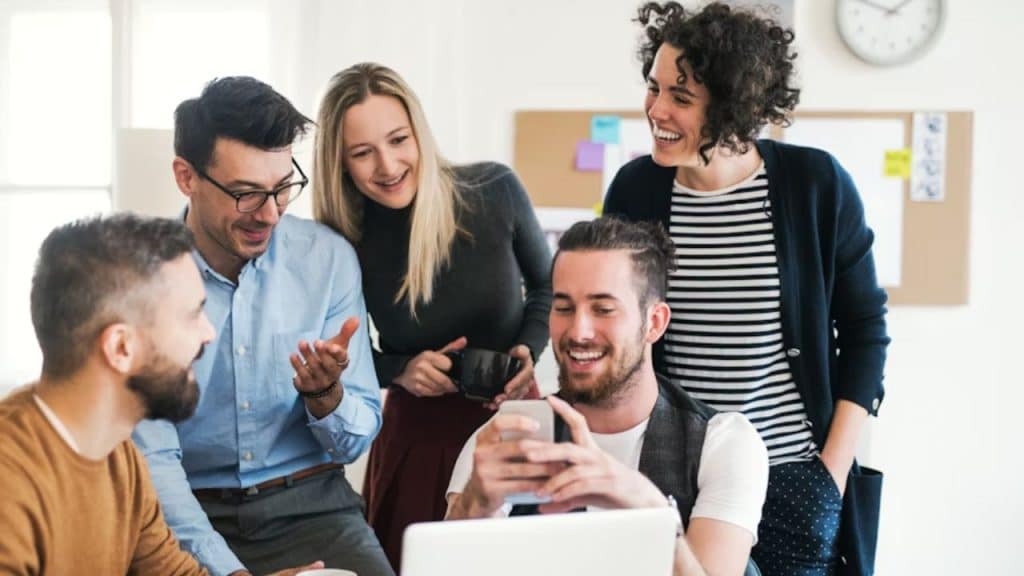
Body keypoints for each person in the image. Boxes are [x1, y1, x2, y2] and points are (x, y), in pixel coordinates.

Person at [603, 3, 890, 575]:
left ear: (735, 109)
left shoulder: (815, 185)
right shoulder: (635, 191)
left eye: (680, 98)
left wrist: (829, 473)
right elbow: (621, 329)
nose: (656, 110)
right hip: (677, 471)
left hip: (793, 477)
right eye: (654, 87)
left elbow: (865, 333)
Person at [132, 77, 392, 576]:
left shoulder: (327, 259)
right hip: (186, 510)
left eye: (282, 188)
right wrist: (227, 572)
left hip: (312, 507)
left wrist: (326, 397)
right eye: (247, 194)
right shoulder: (141, 278)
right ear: (186, 177)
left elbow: (354, 442)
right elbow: (153, 461)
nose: (270, 214)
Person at [312, 62, 552, 571]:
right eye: (362, 153)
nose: (388, 164)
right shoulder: (344, 239)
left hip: (512, 423)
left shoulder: (494, 190)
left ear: (419, 131)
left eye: (399, 139)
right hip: (415, 440)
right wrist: (399, 370)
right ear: (341, 163)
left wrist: (529, 351)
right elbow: (340, 353)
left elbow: (548, 287)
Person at [445, 217, 769, 576]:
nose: (578, 331)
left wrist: (652, 512)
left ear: (655, 322)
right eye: (564, 308)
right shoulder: (511, 433)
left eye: (603, 309)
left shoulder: (723, 442)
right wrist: (473, 507)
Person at [0, 214, 319, 575]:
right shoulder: (10, 483)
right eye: (192, 315)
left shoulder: (119, 455)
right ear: (122, 347)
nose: (208, 333)